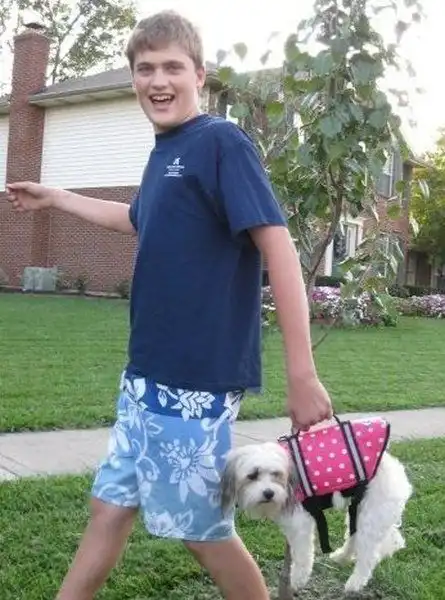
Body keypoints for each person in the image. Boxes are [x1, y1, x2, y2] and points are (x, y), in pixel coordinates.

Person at [6, 10, 333, 600]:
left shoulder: (220, 142)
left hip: (193, 382)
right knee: (109, 509)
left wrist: (302, 373)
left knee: (203, 533)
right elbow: (138, 218)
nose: (158, 80)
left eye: (172, 67)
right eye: (145, 68)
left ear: (199, 75)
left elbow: (279, 248)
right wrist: (56, 196)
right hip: (144, 376)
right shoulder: (164, 152)